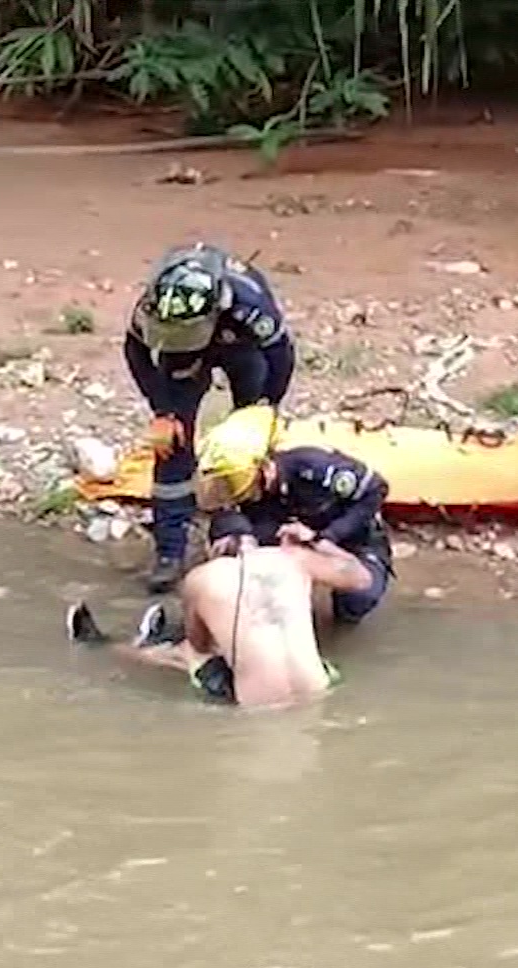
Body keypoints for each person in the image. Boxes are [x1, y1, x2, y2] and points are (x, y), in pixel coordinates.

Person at [125, 242, 297, 594]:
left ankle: (251, 531)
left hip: (242, 348)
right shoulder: (153, 307)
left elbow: (280, 354)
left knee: (247, 448)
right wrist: (161, 409)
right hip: (182, 356)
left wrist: (265, 410)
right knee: (173, 446)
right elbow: (136, 350)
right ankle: (170, 552)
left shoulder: (250, 306)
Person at [65, 535, 345, 710]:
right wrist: (322, 541)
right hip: (320, 689)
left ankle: (103, 645)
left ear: (213, 550)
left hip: (257, 704)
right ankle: (153, 637)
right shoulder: (293, 561)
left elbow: (199, 642)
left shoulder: (203, 578)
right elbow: (360, 578)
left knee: (190, 653)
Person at [193, 405, 394, 629]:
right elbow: (229, 520)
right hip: (287, 533)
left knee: (359, 597)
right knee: (235, 547)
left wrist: (327, 536)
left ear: (265, 467)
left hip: (347, 536)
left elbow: (376, 489)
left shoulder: (312, 467)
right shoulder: (247, 495)